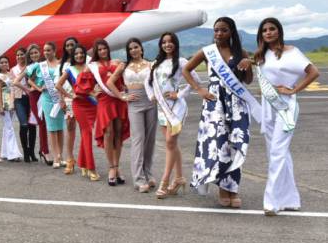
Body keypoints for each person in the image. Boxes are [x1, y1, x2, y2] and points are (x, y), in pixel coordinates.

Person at [183, 17, 255, 208]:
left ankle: (234, 189)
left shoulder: (241, 53)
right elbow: (187, 70)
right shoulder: (208, 52)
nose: (219, 34)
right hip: (215, 105)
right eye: (216, 30)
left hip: (237, 105)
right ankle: (224, 189)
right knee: (220, 146)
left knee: (236, 145)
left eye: (223, 30)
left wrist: (248, 64)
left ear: (231, 32)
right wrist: (199, 89)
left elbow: (248, 81)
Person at [252, 17, 319, 215]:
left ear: (279, 31)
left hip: (286, 108)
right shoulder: (261, 55)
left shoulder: (293, 52)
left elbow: (313, 72)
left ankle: (271, 201)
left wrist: (294, 89)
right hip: (268, 108)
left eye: (272, 29)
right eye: (264, 30)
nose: (268, 32)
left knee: (278, 152)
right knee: (279, 153)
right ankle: (290, 199)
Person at [146, 33, 198, 199]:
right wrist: (151, 96)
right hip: (162, 108)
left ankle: (165, 181)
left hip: (176, 108)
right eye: (164, 42)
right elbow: (147, 83)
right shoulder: (155, 63)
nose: (167, 45)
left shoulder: (182, 62)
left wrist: (180, 94)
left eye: (170, 42)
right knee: (172, 144)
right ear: (161, 45)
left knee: (170, 142)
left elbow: (195, 81)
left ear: (175, 44)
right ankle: (180, 177)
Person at [107, 38, 157, 193]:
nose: (133, 50)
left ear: (141, 49)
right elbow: (110, 82)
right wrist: (122, 96)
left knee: (149, 140)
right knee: (138, 139)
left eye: (136, 47)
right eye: (130, 49)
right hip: (134, 103)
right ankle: (139, 178)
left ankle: (148, 174)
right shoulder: (124, 65)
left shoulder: (151, 64)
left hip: (150, 102)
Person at [87, 39, 129, 186]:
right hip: (105, 101)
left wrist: (125, 89)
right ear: (96, 52)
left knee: (118, 132)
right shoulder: (92, 66)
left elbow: (124, 81)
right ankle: (111, 167)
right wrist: (93, 93)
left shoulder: (116, 62)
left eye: (104, 48)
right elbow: (82, 84)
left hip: (118, 100)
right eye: (100, 50)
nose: (103, 51)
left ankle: (117, 167)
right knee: (108, 132)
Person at [56, 44, 99, 180]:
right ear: (73, 56)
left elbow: (98, 83)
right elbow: (58, 85)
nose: (79, 56)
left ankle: (83, 164)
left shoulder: (90, 68)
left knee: (86, 134)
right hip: (79, 105)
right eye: (76, 54)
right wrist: (69, 96)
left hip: (92, 104)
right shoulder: (69, 70)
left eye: (81, 53)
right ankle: (91, 168)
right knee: (87, 133)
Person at [21, 42, 65, 168]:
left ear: (54, 51)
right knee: (51, 128)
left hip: (59, 98)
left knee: (60, 128)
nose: (46, 52)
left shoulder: (61, 64)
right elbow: (26, 78)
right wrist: (37, 88)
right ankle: (55, 157)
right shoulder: (40, 65)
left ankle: (61, 156)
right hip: (46, 99)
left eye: (48, 50)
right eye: (45, 50)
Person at [26, 44, 51, 165]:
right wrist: (38, 88)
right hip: (35, 96)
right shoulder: (30, 67)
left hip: (46, 95)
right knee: (41, 123)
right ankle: (45, 151)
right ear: (29, 56)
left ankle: (43, 149)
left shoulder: (44, 65)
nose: (34, 55)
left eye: (36, 52)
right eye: (31, 54)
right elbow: (29, 81)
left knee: (47, 123)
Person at [0, 56, 22, 161]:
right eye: (1, 63)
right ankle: (13, 154)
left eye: (6, 62)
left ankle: (5, 152)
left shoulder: (10, 74)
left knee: (7, 127)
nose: (4, 64)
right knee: (9, 127)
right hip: (5, 104)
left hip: (12, 102)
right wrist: (0, 106)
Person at [11, 47, 36, 162]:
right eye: (17, 55)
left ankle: (32, 152)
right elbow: (12, 87)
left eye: (21, 54)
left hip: (31, 98)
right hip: (19, 99)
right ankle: (25, 152)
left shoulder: (31, 67)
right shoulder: (13, 70)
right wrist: (11, 103)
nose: (19, 56)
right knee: (24, 124)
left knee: (32, 125)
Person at [59, 37, 79, 169]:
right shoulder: (63, 63)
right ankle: (70, 158)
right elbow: (58, 82)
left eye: (72, 45)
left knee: (85, 129)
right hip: (68, 97)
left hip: (82, 98)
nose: (70, 47)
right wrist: (62, 99)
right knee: (70, 127)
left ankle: (85, 159)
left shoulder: (85, 60)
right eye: (67, 45)